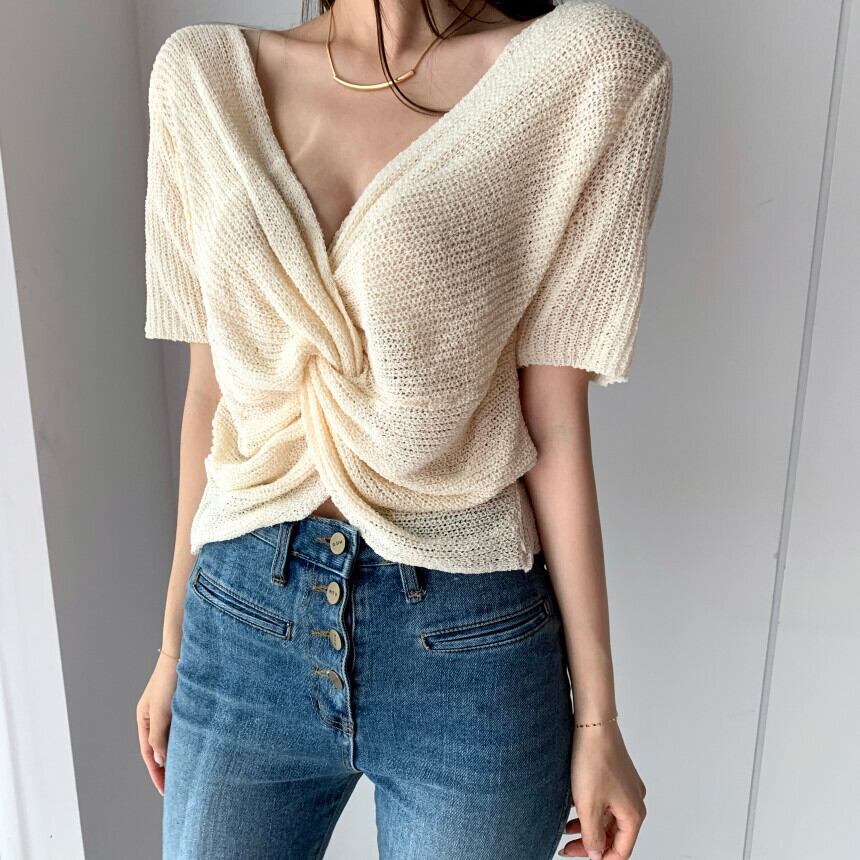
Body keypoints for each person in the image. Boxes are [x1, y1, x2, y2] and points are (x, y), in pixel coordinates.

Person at [134, 0, 672, 857]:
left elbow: (555, 423)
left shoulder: (581, 71)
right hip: (240, 628)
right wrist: (171, 647)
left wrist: (599, 720)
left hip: (468, 644)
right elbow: (212, 396)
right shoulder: (200, 79)